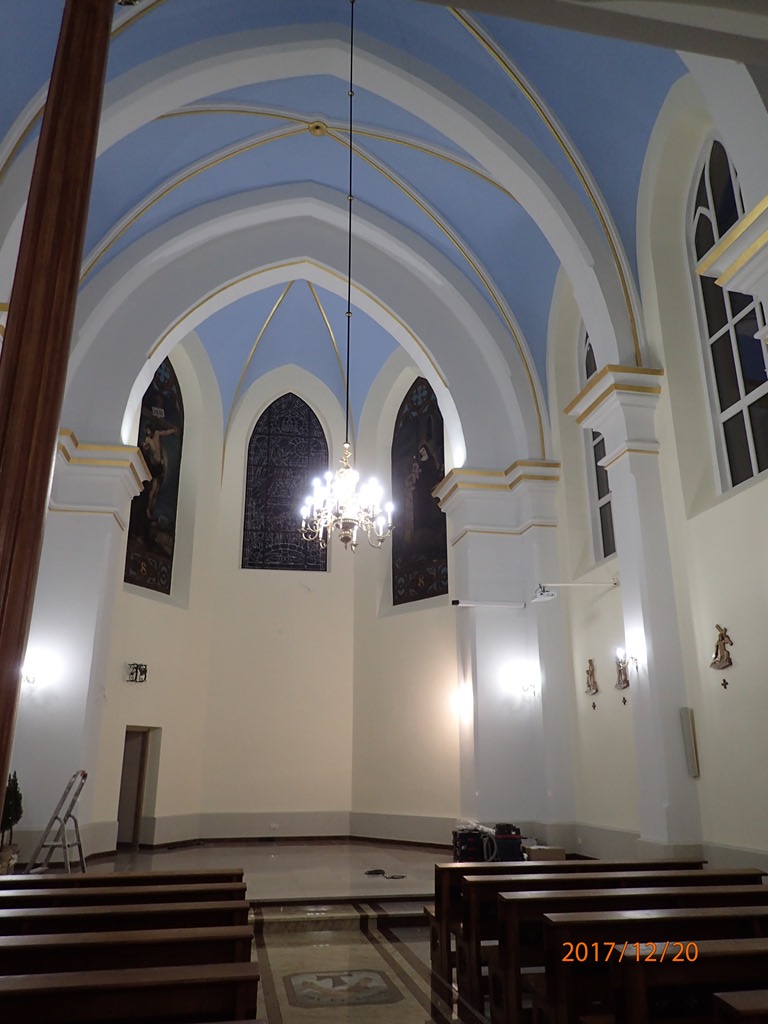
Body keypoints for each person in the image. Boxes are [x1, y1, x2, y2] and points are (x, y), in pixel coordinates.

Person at [141, 422, 178, 518]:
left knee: (156, 490)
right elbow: (146, 448)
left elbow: (165, 433)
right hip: (154, 465)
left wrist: (172, 430)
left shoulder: (156, 434)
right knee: (153, 490)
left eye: (149, 430)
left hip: (159, 465)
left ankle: (152, 509)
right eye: (146, 431)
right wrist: (146, 447)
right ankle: (148, 508)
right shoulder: (147, 440)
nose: (148, 432)